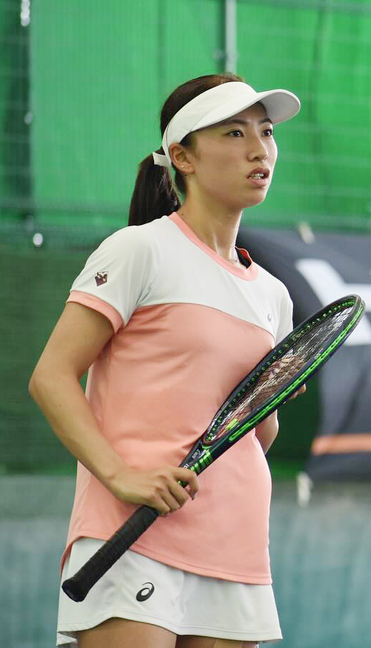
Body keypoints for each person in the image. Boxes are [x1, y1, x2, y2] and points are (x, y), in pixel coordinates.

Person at [29, 73, 301, 647]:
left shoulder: (273, 294)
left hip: (236, 543)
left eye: (267, 132)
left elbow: (253, 438)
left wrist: (269, 402)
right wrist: (121, 475)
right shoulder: (139, 250)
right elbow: (51, 377)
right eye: (234, 132)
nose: (259, 149)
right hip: (132, 539)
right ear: (183, 157)